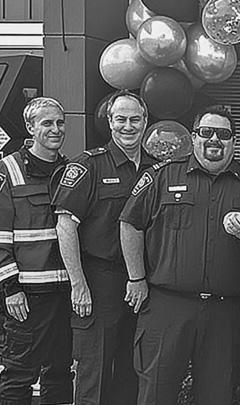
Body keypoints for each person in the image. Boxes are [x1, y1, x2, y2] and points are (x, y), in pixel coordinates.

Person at [119, 105, 240, 404]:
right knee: (156, 394)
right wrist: (136, 278)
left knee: (218, 396)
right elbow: (130, 224)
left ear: (234, 141)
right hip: (167, 308)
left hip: (227, 312)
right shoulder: (161, 176)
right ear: (193, 137)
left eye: (223, 134)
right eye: (206, 132)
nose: (214, 140)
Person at [52, 90, 157, 404]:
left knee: (131, 371)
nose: (128, 126)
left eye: (135, 119)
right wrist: (78, 284)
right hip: (99, 281)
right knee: (93, 373)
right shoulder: (89, 164)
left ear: (146, 121)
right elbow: (65, 226)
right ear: (110, 122)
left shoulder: (156, 169)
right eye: (121, 119)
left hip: (143, 283)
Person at [0, 97, 72, 405]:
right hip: (27, 297)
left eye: (60, 122)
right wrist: (10, 288)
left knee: (60, 373)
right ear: (30, 127)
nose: (55, 129)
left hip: (65, 293)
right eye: (47, 123)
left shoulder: (70, 170)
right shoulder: (8, 170)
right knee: (19, 375)